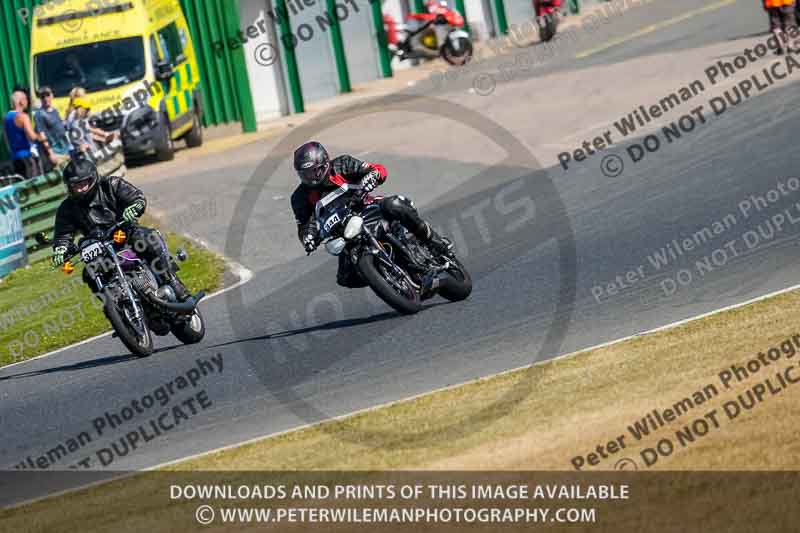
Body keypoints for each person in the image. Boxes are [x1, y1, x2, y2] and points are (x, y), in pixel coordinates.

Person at [290, 141, 452, 288]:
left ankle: (433, 242)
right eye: (304, 174)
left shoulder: (342, 165)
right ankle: (387, 279)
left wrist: (372, 176)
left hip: (370, 210)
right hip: (344, 234)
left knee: (394, 205)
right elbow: (303, 226)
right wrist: (308, 238)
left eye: (313, 172)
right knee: (345, 278)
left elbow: (377, 170)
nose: (309, 178)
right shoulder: (299, 197)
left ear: (324, 163)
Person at [51, 151, 189, 300]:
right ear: (69, 187)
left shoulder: (111, 184)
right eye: (75, 185)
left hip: (125, 233)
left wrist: (134, 207)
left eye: (83, 183)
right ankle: (114, 306)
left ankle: (171, 280)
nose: (80, 189)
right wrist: (61, 248)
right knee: (89, 273)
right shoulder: (67, 208)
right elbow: (63, 234)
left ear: (93, 179)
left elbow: (136, 197)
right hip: (99, 248)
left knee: (147, 238)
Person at [3, 89, 46, 179]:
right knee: (35, 186)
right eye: (26, 99)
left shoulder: (6, 118)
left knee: (22, 186)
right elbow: (32, 137)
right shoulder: (23, 116)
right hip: (27, 158)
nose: (27, 102)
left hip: (15, 159)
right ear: (21, 101)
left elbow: (6, 140)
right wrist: (41, 137)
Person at [34, 86, 72, 169]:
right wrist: (51, 153)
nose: (45, 98)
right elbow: (42, 135)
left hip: (65, 149)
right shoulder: (39, 114)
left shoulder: (55, 110)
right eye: (42, 96)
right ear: (40, 99)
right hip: (55, 152)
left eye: (47, 95)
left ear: (52, 96)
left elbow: (61, 127)